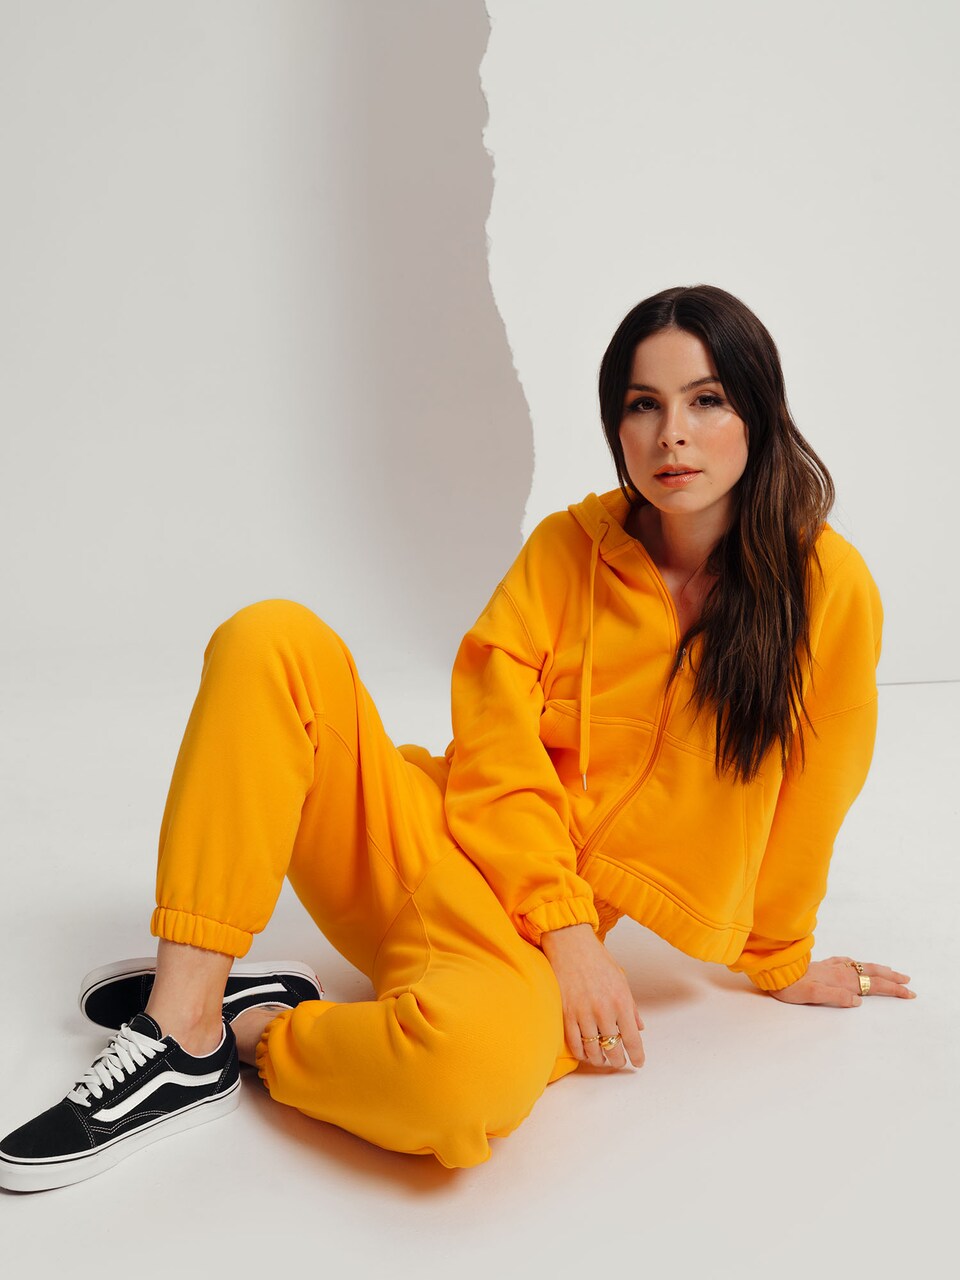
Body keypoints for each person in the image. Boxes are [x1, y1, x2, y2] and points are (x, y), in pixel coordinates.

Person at [0, 284, 914, 1192]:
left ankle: (242, 1027)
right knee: (270, 638)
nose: (672, 434)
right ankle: (179, 1026)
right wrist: (568, 931)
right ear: (618, 425)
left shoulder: (826, 592)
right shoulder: (567, 551)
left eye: (706, 399)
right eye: (644, 405)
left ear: (758, 410)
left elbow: (818, 790)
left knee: (467, 1081)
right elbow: (493, 739)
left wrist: (780, 959)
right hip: (419, 837)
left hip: (508, 953)